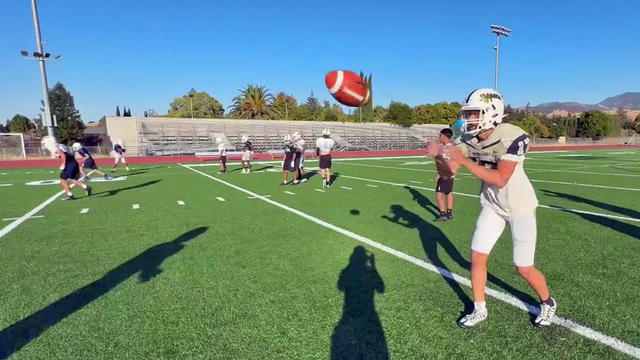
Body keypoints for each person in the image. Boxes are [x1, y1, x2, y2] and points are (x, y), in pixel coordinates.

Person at [428, 88, 556, 329]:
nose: (469, 119)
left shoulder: (513, 136)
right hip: (492, 205)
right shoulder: (467, 139)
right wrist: (439, 156)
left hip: (520, 206)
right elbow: (449, 173)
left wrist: (464, 160)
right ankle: (479, 308)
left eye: (475, 113)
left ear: (491, 112)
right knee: (477, 258)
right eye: (469, 113)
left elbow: (500, 179)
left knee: (523, 267)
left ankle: (548, 302)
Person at [41, 136, 92, 200]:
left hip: (69, 165)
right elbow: (71, 153)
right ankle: (86, 187)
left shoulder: (55, 147)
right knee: (73, 180)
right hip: (74, 163)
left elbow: (63, 155)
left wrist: (63, 164)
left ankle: (70, 195)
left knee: (63, 180)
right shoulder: (61, 145)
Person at [432, 129, 458, 221]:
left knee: (439, 193)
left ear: (445, 136)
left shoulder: (447, 148)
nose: (439, 137)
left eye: (440, 135)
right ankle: (449, 213)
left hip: (445, 174)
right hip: (450, 174)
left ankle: (443, 214)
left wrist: (439, 174)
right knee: (448, 192)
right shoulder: (449, 147)